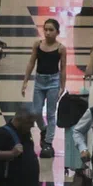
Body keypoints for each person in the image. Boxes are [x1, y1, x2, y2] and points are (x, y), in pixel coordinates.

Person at [20, 20, 66, 156]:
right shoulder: (38, 45)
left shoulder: (61, 48)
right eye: (45, 29)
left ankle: (48, 142)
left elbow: (63, 68)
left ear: (57, 32)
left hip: (53, 81)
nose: (47, 33)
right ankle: (44, 129)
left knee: (51, 113)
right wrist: (25, 81)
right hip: (40, 81)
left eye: (51, 30)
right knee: (36, 111)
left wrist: (62, 86)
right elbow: (31, 62)